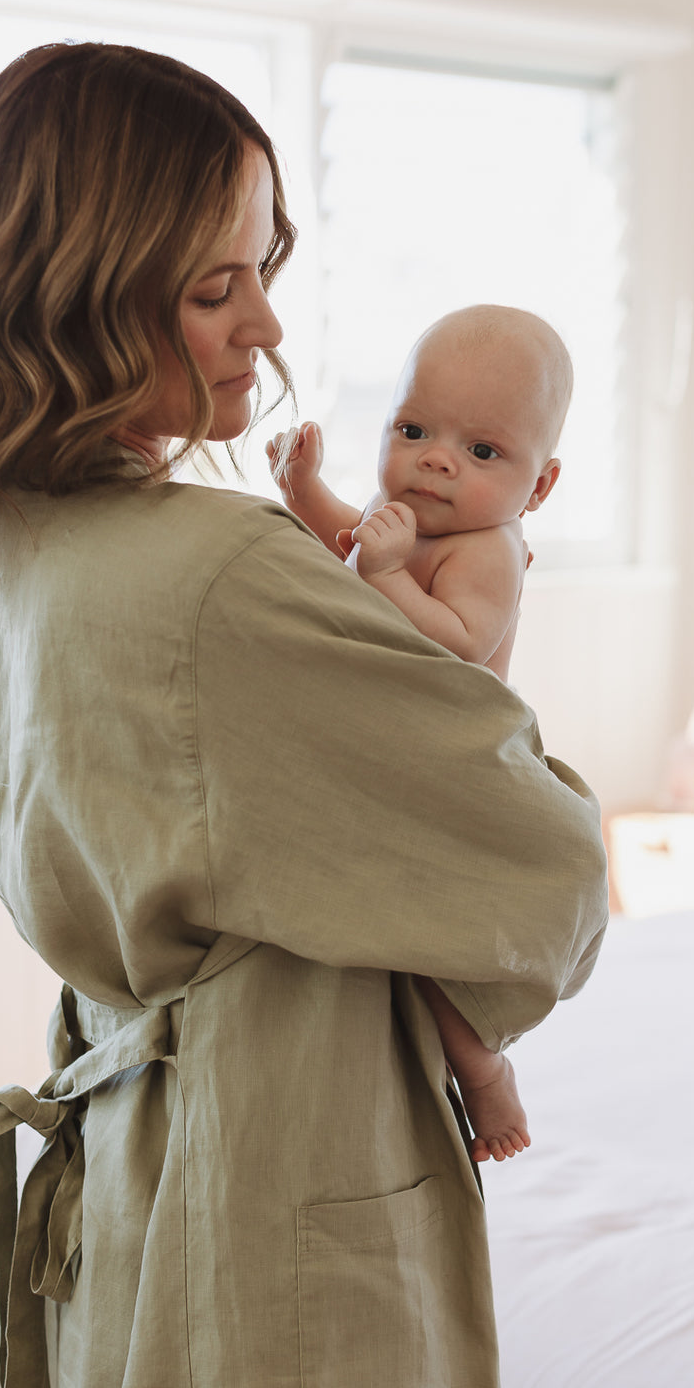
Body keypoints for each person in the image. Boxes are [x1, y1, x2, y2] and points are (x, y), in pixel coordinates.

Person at [0, 41, 608, 1388]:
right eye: (216, 286)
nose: (267, 326)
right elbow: (546, 865)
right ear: (86, 286)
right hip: (276, 1157)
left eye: (261, 270)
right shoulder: (221, 576)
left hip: (130, 1138)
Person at [266, 305, 571, 1163]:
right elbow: (345, 542)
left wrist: (392, 570)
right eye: (413, 428)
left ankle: (484, 1074)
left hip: (455, 768)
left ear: (538, 487)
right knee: (367, 912)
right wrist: (304, 490)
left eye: (482, 451)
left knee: (428, 937)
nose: (436, 460)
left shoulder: (489, 548)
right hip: (390, 755)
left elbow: (460, 642)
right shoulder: (406, 513)